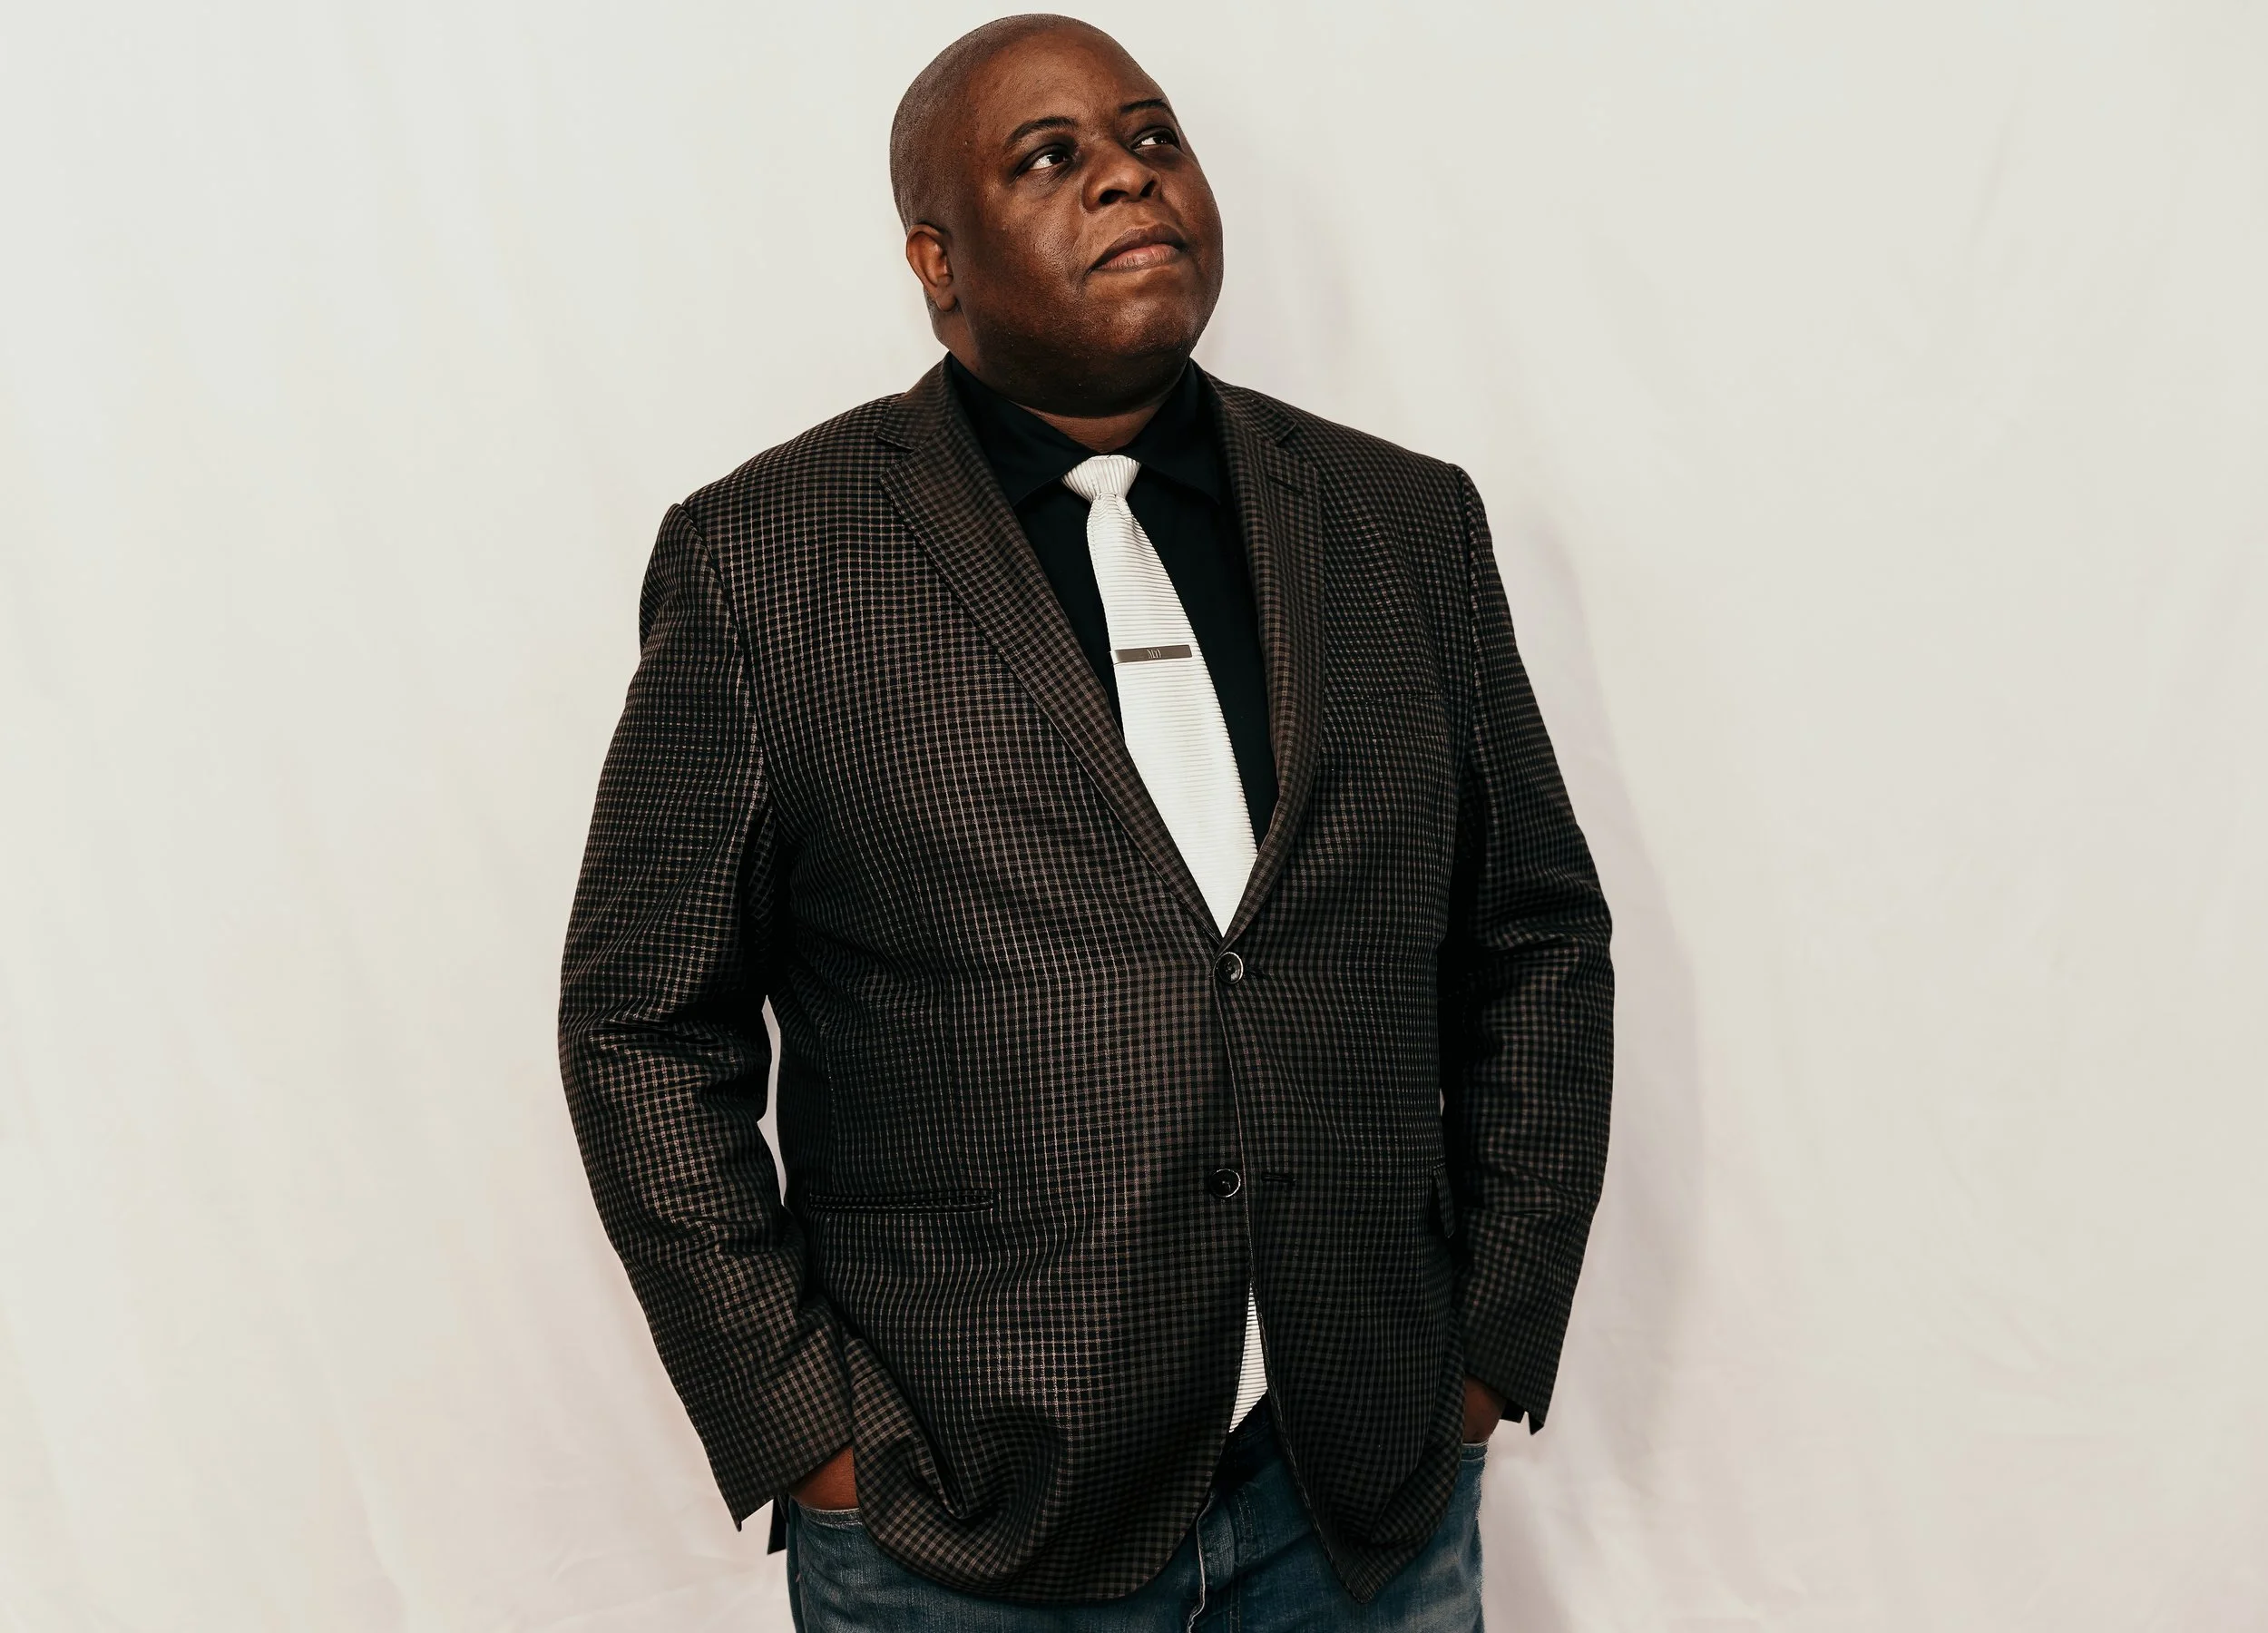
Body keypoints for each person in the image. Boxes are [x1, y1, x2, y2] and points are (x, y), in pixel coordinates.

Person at [558, 14, 1613, 1628]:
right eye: (1049, 159)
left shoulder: (1406, 527)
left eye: (1151, 138)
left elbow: (1534, 936)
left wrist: (1488, 1346)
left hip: (1362, 1503)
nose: (1126, 177)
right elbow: (642, 1024)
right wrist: (806, 1429)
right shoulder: (766, 564)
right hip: (965, 1528)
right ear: (938, 258)